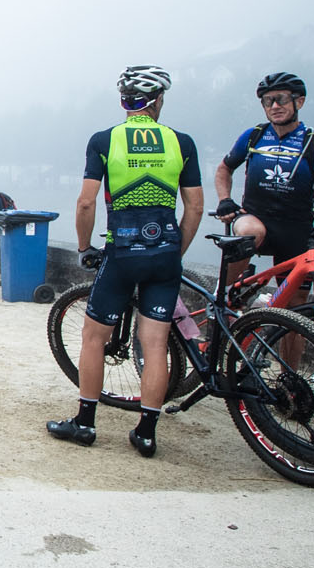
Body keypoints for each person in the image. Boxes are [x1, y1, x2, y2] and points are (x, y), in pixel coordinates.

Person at [48, 66, 204, 459]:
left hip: (121, 254)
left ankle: (85, 424)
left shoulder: (104, 140)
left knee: (94, 338)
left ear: (125, 102)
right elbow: (195, 207)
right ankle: (146, 434)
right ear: (158, 101)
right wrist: (175, 252)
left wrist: (84, 246)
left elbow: (86, 203)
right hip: (164, 253)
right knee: (155, 345)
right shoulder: (182, 142)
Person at [213, 71, 314, 289]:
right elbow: (224, 169)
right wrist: (224, 200)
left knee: (296, 302)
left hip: (296, 229)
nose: (275, 106)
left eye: (281, 99)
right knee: (250, 233)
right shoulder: (253, 136)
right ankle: (221, 293)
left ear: (299, 102)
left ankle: (269, 308)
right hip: (254, 219)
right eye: (268, 101)